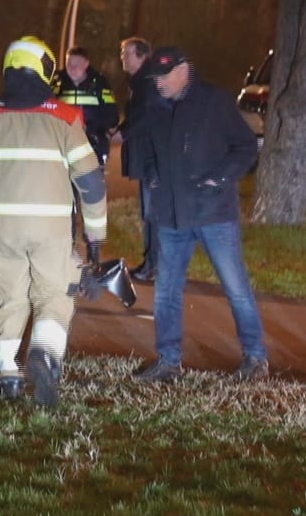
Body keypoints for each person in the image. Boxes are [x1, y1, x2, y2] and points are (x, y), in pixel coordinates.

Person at [0, 36, 108, 406]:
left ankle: (7, 374)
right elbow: (91, 183)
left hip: (4, 231)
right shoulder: (65, 119)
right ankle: (45, 355)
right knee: (54, 295)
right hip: (50, 232)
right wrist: (95, 234)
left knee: (11, 298)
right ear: (46, 69)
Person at [128, 46, 269, 382]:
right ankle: (168, 361)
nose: (159, 83)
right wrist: (153, 177)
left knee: (235, 287)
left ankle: (256, 358)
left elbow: (246, 146)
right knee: (166, 291)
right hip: (171, 217)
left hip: (213, 214)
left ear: (183, 71)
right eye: (155, 78)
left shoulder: (214, 102)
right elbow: (145, 148)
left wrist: (218, 178)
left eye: (164, 77)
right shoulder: (155, 105)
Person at [115, 37, 165, 281]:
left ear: (141, 55)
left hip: (155, 159)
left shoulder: (149, 81)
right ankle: (153, 264)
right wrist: (119, 130)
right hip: (150, 157)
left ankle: (155, 266)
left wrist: (123, 133)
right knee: (151, 212)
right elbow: (139, 115)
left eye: (126, 53)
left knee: (153, 213)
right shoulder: (141, 82)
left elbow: (151, 117)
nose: (122, 57)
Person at [56, 47, 121, 165]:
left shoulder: (99, 83)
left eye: (77, 64)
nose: (72, 68)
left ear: (86, 64)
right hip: (63, 141)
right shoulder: (57, 82)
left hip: (93, 143)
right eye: (69, 64)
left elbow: (111, 115)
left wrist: (95, 129)